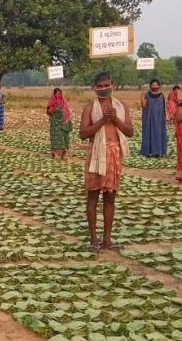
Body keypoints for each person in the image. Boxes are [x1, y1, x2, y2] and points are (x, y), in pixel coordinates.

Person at [79, 72, 133, 252]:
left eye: (106, 85)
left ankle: (107, 239)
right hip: (96, 153)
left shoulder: (121, 106)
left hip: (114, 154)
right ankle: (94, 239)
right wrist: (102, 120)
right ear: (94, 88)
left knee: (110, 198)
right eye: (100, 86)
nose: (103, 89)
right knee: (92, 197)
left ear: (112, 85)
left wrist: (115, 119)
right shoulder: (89, 108)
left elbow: (130, 131)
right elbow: (83, 133)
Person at [139, 79, 168, 158]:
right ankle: (147, 152)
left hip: (159, 119)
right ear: (150, 86)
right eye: (153, 85)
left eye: (156, 85)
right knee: (148, 133)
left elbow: (163, 108)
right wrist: (142, 100)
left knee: (159, 134)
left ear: (159, 86)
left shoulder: (161, 95)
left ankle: (158, 152)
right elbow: (143, 106)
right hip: (149, 119)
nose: (154, 86)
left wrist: (165, 117)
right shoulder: (146, 95)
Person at [47, 87, 73, 160]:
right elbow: (48, 112)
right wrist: (54, 109)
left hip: (64, 124)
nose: (58, 95)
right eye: (57, 94)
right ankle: (55, 154)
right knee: (57, 139)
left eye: (60, 94)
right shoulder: (51, 102)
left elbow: (68, 114)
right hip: (55, 125)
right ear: (54, 95)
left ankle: (64, 154)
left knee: (65, 138)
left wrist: (67, 122)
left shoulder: (64, 103)